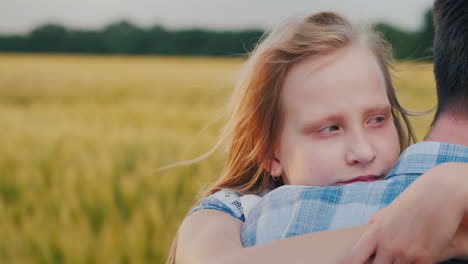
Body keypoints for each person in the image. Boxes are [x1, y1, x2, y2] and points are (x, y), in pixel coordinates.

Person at [169, 4, 468, 264]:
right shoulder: (235, 213)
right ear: (270, 153)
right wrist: (448, 231)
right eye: (330, 129)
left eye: (377, 119)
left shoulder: (410, 181)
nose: (364, 152)